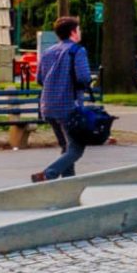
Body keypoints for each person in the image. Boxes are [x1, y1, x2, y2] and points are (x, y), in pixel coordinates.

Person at [31, 17, 91, 183]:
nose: (80, 33)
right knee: (76, 149)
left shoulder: (48, 52)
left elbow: (40, 79)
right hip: (69, 105)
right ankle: (48, 174)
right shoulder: (77, 50)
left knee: (66, 147)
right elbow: (84, 77)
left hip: (48, 105)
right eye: (78, 29)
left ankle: (68, 185)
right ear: (73, 32)